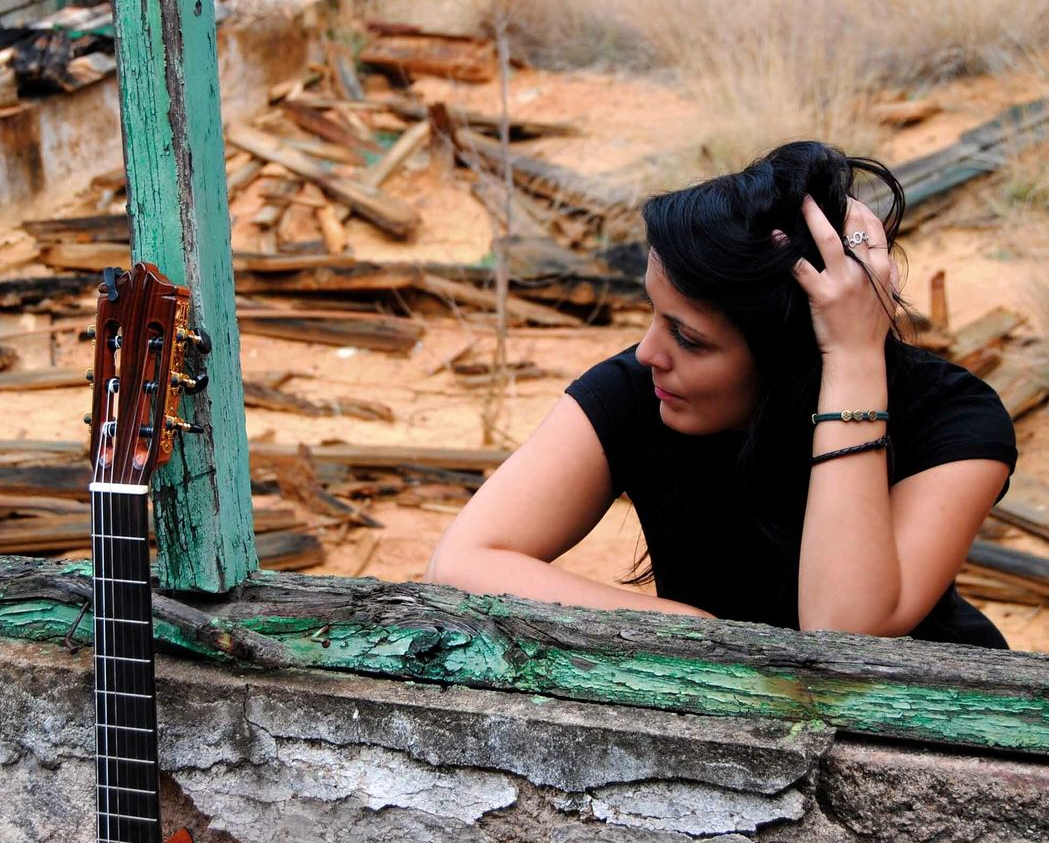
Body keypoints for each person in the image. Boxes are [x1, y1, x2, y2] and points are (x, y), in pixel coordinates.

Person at [425, 140, 1017, 648]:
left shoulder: (951, 416)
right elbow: (459, 565)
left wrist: (854, 359)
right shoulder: (643, 389)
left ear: (786, 357)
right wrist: (689, 634)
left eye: (688, 336)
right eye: (654, 314)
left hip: (933, 732)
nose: (647, 352)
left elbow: (844, 633)